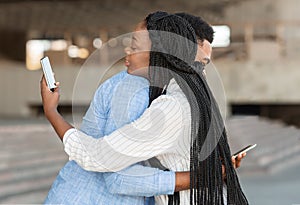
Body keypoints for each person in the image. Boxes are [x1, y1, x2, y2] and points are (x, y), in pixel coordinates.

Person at [41, 11, 248, 205]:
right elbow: (116, 176)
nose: (198, 71)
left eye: (203, 64)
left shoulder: (173, 96)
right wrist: (204, 176)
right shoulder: (136, 90)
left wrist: (214, 168)